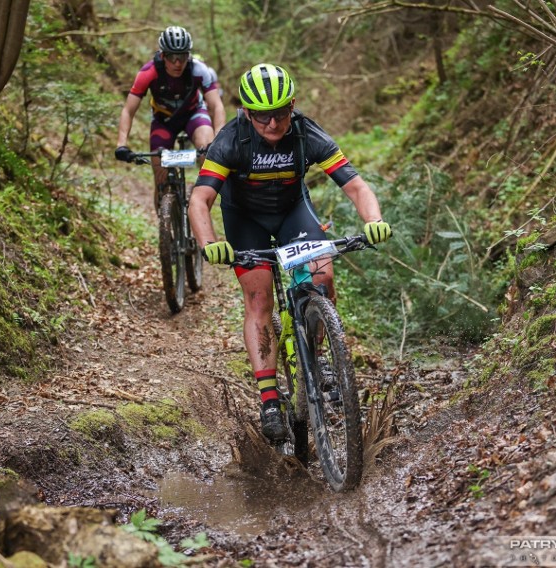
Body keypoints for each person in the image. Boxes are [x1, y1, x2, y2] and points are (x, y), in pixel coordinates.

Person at [188, 63, 392, 442]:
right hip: (244, 218)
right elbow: (200, 200)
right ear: (247, 113)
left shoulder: (305, 132)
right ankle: (268, 398)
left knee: (321, 277)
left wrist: (373, 219)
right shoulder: (231, 139)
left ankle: (321, 353)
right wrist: (211, 244)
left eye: (281, 113)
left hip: (292, 213)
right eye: (262, 116)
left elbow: (357, 187)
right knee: (259, 297)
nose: (272, 124)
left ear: (293, 106)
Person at [114, 26, 225, 206]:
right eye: (172, 57)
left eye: (182, 56)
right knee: (161, 177)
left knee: (209, 152)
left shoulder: (199, 70)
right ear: (162, 55)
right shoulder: (148, 73)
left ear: (188, 56)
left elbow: (216, 105)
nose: (177, 63)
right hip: (163, 121)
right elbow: (128, 110)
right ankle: (164, 227)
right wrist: (122, 143)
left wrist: (220, 136)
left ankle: (201, 204)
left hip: (194, 115)